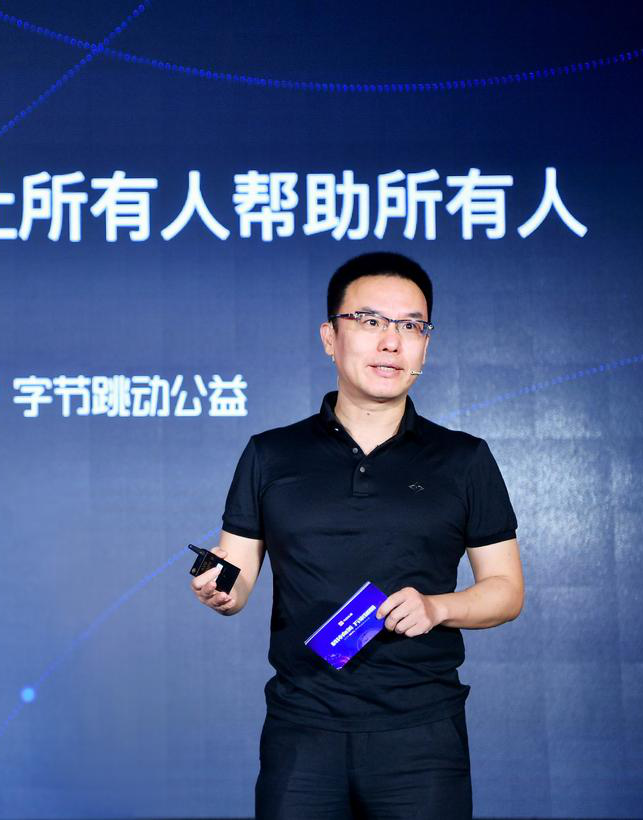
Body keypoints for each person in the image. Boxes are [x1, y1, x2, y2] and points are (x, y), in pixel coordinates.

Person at [191, 251, 523, 819]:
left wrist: (438, 607)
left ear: (425, 346)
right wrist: (220, 589)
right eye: (370, 321)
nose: (391, 342)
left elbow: (506, 590)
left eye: (411, 327)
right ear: (330, 337)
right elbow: (237, 577)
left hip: (421, 735)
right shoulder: (271, 454)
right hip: (302, 728)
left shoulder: (464, 459)